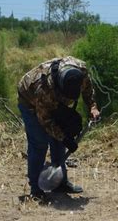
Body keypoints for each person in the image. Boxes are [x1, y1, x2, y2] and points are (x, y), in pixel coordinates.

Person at [17, 56, 100, 200]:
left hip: (54, 100)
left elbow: (87, 89)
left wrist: (93, 107)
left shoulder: (81, 71)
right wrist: (66, 139)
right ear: (61, 88)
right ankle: (36, 189)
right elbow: (46, 122)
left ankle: (59, 183)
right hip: (30, 100)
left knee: (62, 135)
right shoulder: (44, 89)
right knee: (40, 142)